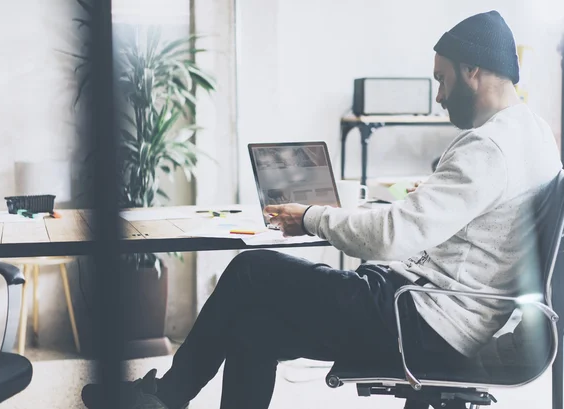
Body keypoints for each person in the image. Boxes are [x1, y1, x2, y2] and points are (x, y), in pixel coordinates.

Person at [82, 10, 562, 409]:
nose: (438, 97)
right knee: (254, 328)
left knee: (251, 268)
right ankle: (168, 396)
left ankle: (168, 396)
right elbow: (477, 211)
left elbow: (393, 235)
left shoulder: (487, 148)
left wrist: (307, 216)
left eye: (442, 79)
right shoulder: (534, 133)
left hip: (417, 321)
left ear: (473, 70)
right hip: (430, 313)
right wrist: (426, 195)